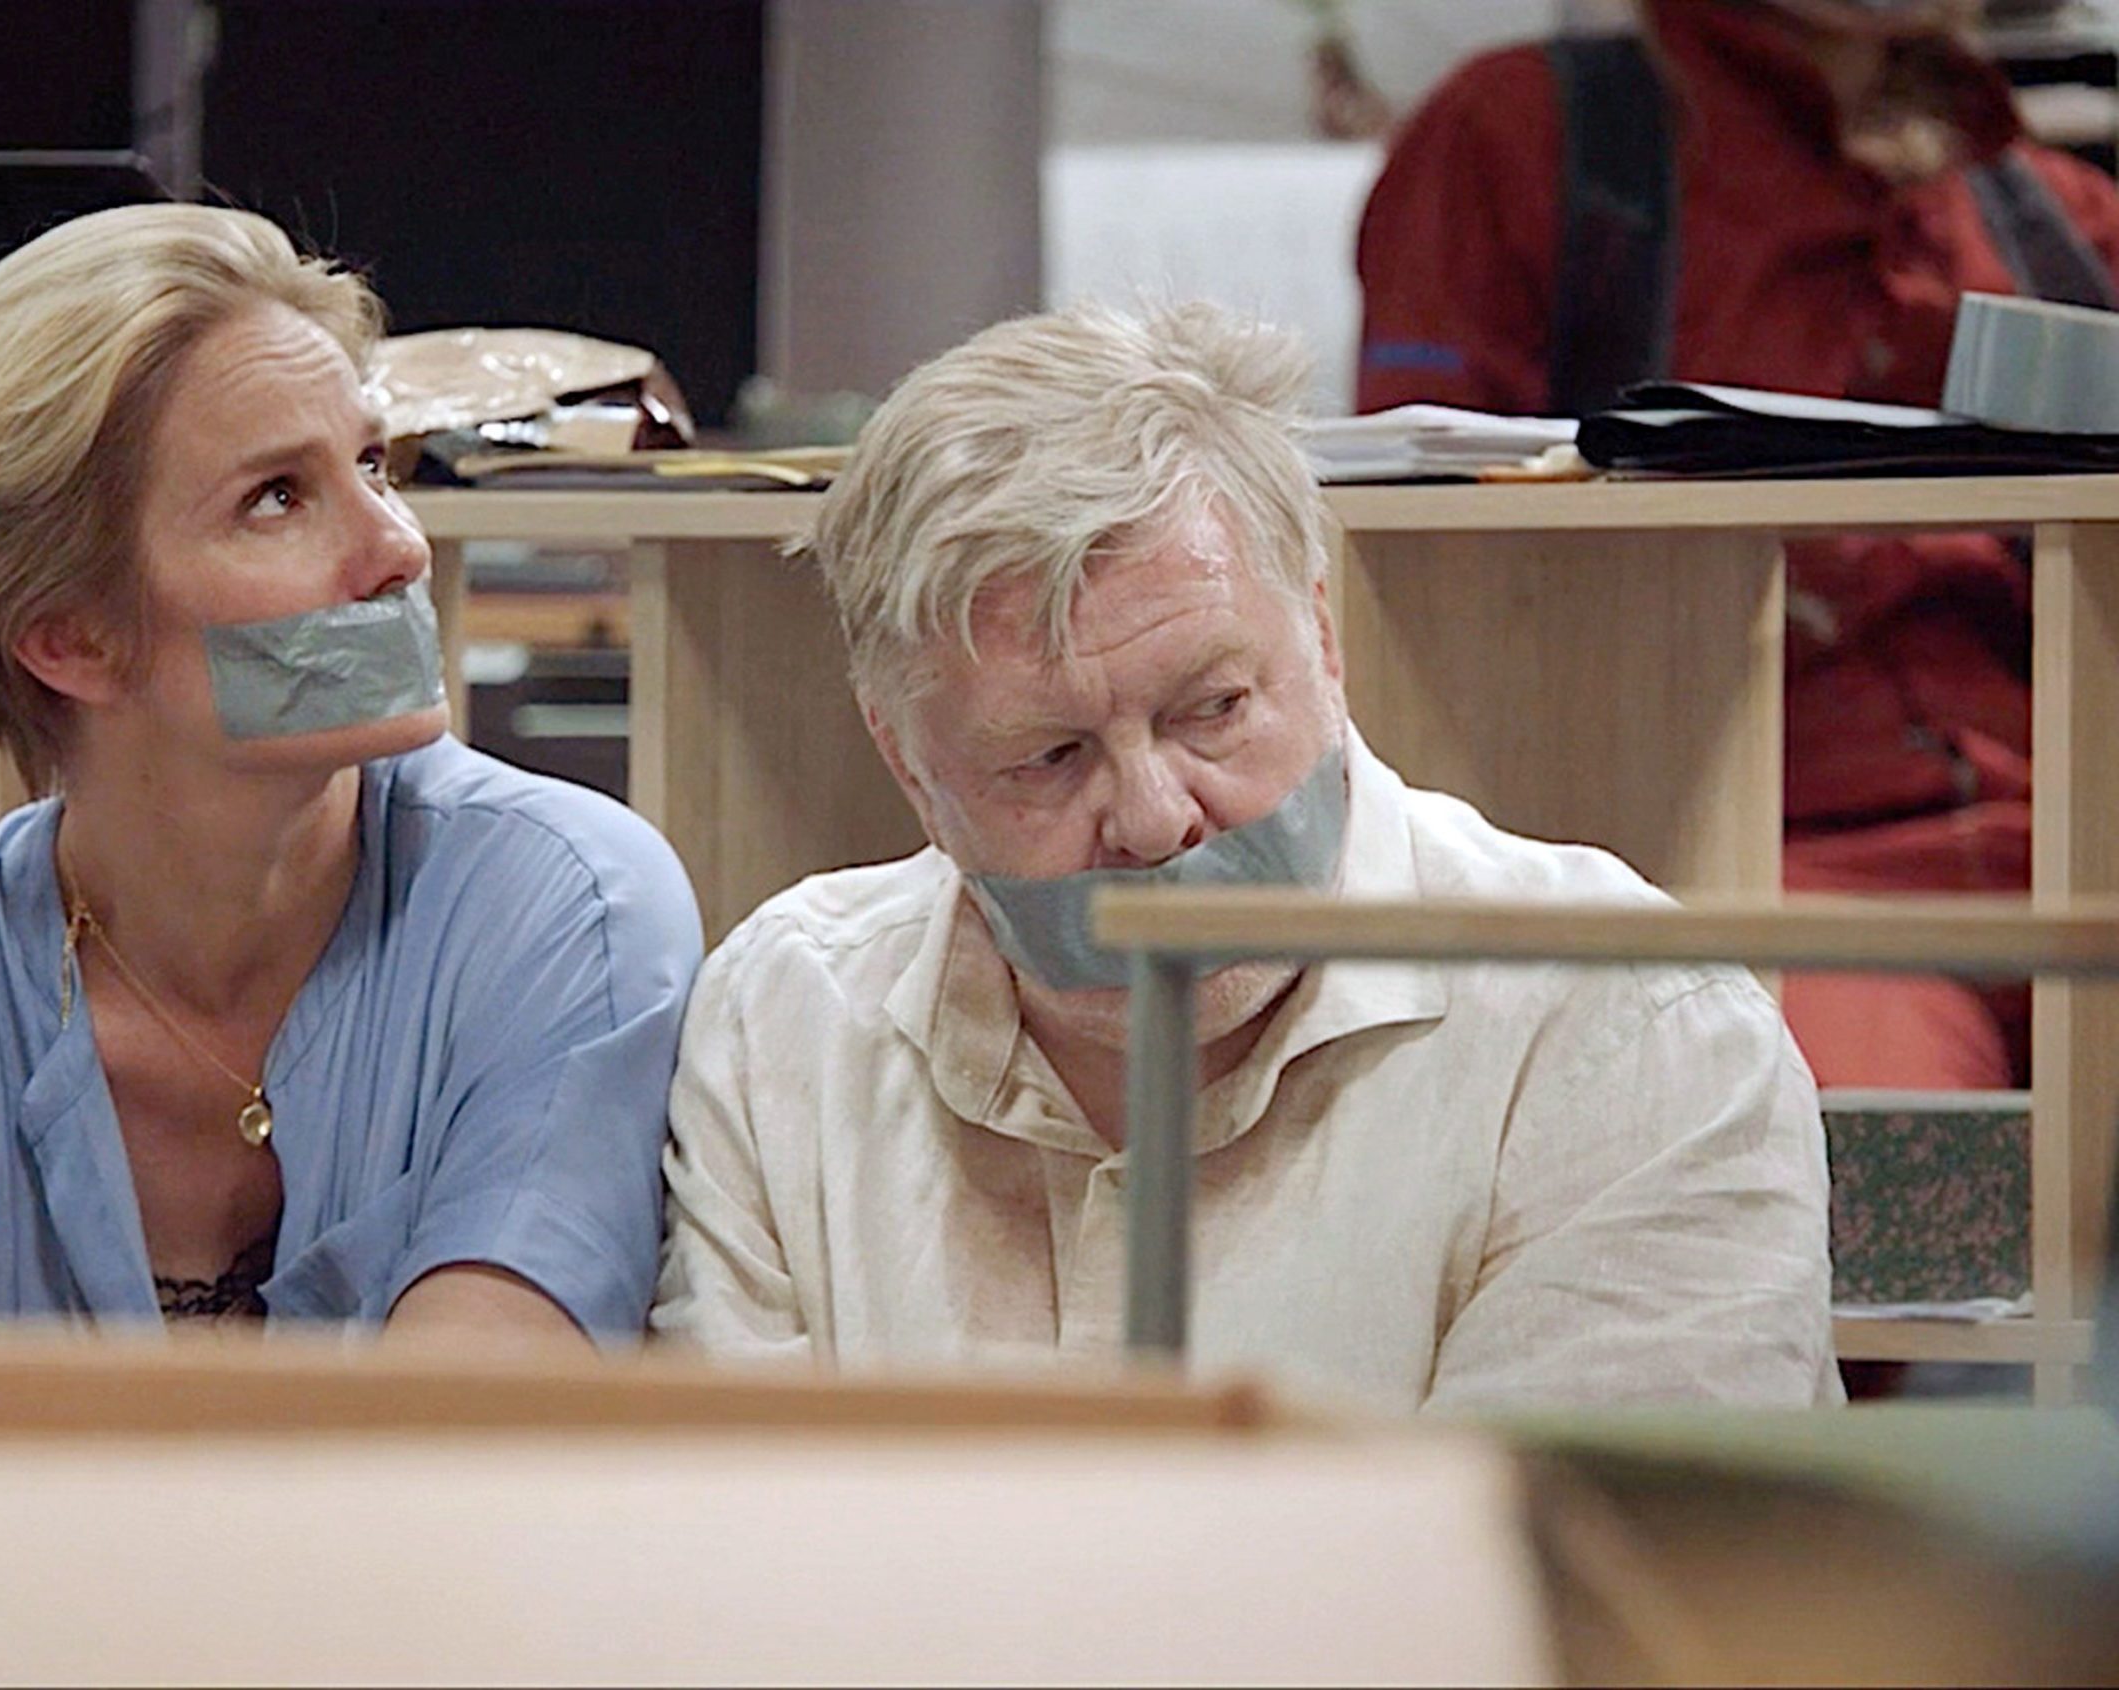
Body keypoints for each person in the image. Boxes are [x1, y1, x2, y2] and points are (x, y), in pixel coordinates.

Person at [0, 204, 703, 1492]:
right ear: (72, 639)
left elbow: (452, 1478)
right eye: (279, 497)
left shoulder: (561, 904)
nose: (398, 549)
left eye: (372, 465)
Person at [651, 301, 1838, 1409]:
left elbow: (1558, 1556)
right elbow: (725, 1536)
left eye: (1212, 708)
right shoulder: (780, 1022)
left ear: (1320, 633)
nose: (1154, 819)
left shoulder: (1628, 1029)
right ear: (906, 763)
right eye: (1050, 757)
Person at [1355, 0, 2119, 1090]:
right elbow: (1408, 580)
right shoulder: (1526, 140)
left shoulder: (2051, 210)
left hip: (2067, 842)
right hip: (1739, 856)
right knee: (1869, 1124)